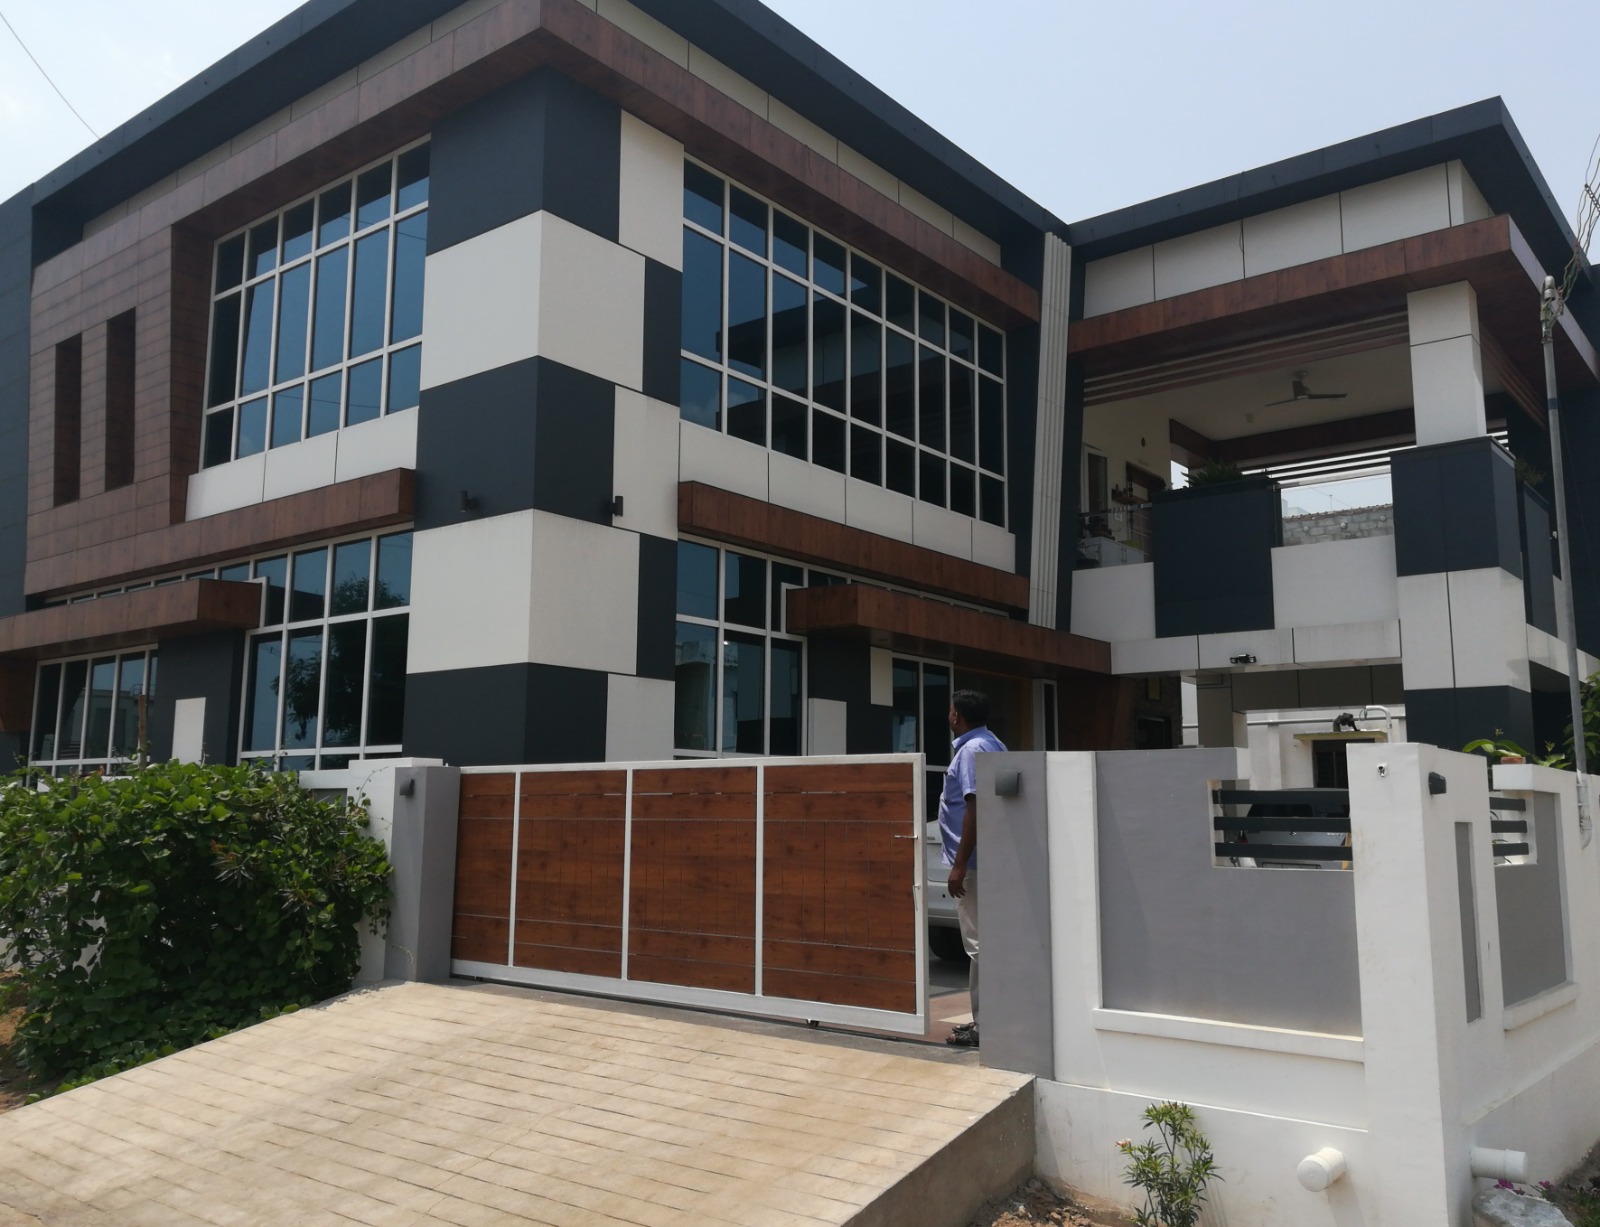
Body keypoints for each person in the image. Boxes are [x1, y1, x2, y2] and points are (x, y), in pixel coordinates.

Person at [940, 689, 1005, 1048]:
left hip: (975, 865)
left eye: (951, 711)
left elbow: (975, 808)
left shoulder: (970, 750)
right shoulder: (993, 743)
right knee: (987, 943)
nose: (949, 715)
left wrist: (960, 865)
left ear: (957, 716)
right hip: (990, 859)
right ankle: (987, 1019)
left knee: (979, 945)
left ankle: (987, 1026)